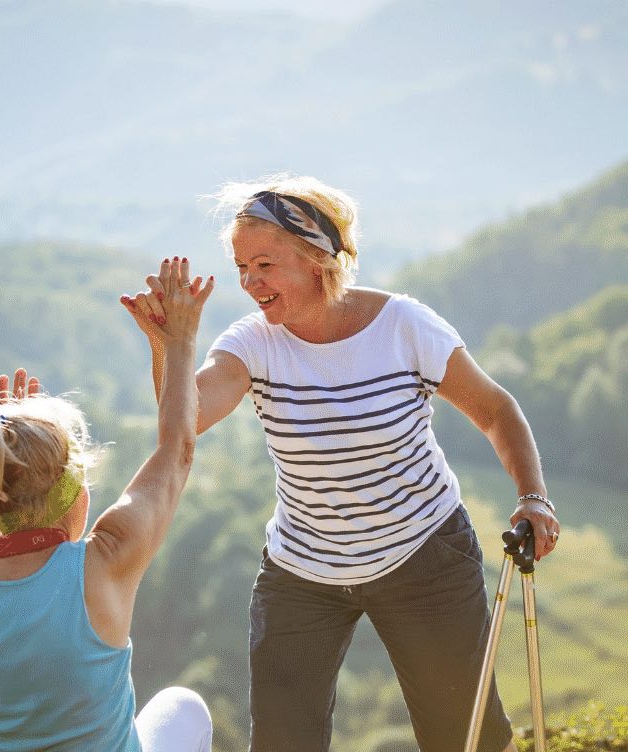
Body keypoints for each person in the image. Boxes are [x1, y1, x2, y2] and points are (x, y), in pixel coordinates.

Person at [179, 175, 552, 750]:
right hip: (303, 569)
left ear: (317, 258)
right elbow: (185, 419)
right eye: (240, 268)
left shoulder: (404, 326)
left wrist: (532, 495)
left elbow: (496, 410)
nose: (250, 283)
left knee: (465, 738)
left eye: (264, 265)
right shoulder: (252, 343)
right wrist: (171, 345)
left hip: (424, 551)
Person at [0, 259, 218, 752]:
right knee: (184, 707)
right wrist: (178, 341)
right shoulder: (104, 562)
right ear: (76, 499)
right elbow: (177, 450)